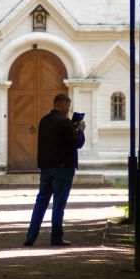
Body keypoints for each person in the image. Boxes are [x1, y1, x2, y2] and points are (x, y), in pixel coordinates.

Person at [23, 92, 84, 246]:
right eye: (68, 106)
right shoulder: (64, 122)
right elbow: (76, 143)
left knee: (41, 201)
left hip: (46, 167)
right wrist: (80, 129)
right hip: (63, 168)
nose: (68, 110)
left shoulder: (44, 121)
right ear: (63, 105)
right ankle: (56, 238)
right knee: (58, 203)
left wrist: (72, 127)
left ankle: (31, 236)